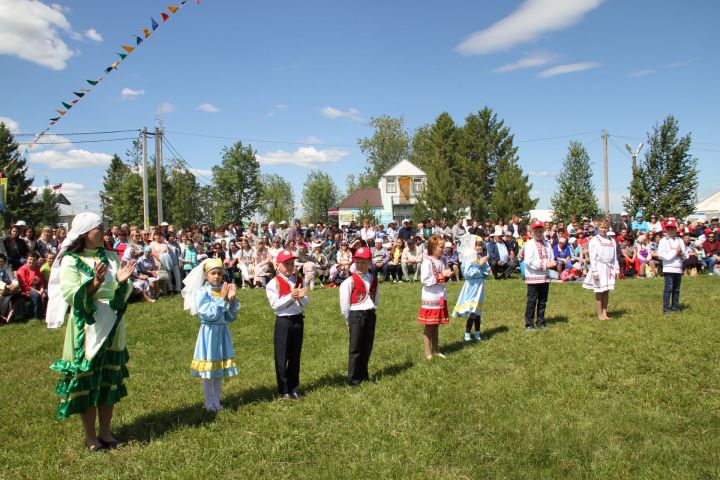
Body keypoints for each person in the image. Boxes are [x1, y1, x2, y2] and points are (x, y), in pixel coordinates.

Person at [47, 212, 136, 452]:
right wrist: (95, 283)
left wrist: (122, 281)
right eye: (99, 228)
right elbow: (69, 293)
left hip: (112, 324)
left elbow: (121, 287)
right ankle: (90, 437)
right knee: (87, 381)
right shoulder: (70, 260)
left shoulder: (110, 256)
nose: (104, 232)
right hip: (87, 329)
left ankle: (105, 432)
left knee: (108, 381)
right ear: (86, 233)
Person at [182, 258, 239, 411]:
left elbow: (231, 318)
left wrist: (231, 302)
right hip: (208, 333)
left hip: (222, 332)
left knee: (218, 368)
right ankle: (208, 401)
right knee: (208, 369)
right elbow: (209, 314)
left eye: (220, 273)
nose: (216, 277)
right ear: (206, 275)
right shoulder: (202, 292)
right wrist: (222, 299)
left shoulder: (224, 290)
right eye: (213, 273)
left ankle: (217, 400)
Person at [265, 249, 309, 400]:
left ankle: (294, 386)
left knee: (295, 355)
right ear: (277, 266)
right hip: (283, 321)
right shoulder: (273, 283)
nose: (290, 266)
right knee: (282, 356)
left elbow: (304, 303)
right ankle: (283, 390)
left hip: (297, 319)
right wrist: (291, 296)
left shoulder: (299, 280)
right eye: (286, 264)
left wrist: (301, 297)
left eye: (292, 263)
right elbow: (275, 306)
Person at [339, 247, 378, 386]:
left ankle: (364, 374)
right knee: (355, 348)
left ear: (369, 263)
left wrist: (373, 308)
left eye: (363, 262)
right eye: (358, 262)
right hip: (356, 315)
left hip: (370, 314)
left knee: (367, 346)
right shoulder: (349, 281)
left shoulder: (373, 279)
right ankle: (354, 378)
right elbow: (344, 304)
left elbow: (375, 296)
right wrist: (348, 320)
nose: (360, 265)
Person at [417, 235, 452, 360]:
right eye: (441, 247)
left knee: (436, 324)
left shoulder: (441, 261)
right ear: (433, 247)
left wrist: (447, 275)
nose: (443, 249)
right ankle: (428, 353)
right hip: (431, 297)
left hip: (440, 296)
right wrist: (442, 275)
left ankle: (436, 349)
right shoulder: (427, 262)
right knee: (429, 325)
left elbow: (441, 278)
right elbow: (425, 280)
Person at [452, 238, 490, 342]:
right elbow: (467, 274)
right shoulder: (469, 258)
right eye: (477, 245)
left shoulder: (481, 257)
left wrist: (483, 266)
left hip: (480, 286)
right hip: (471, 286)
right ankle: (467, 335)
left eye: (481, 245)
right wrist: (479, 265)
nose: (479, 247)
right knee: (473, 311)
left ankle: (477, 334)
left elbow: (487, 273)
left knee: (477, 311)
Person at [523, 219, 556, 331]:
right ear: (532, 232)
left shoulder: (547, 244)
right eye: (536, 231)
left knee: (543, 300)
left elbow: (551, 257)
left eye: (540, 231)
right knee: (532, 301)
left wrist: (551, 263)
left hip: (545, 276)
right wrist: (544, 265)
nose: (538, 233)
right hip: (533, 276)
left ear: (543, 231)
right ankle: (529, 324)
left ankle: (541, 322)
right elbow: (529, 260)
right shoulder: (529, 244)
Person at [582, 220, 619, 320]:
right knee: (599, 291)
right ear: (598, 228)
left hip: (609, 267)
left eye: (605, 228)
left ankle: (605, 312)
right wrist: (594, 271)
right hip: (599, 267)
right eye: (601, 228)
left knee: (606, 291)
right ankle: (599, 314)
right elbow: (593, 257)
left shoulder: (612, 241)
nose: (603, 230)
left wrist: (616, 269)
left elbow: (614, 256)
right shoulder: (594, 240)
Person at [658, 219, 686, 314]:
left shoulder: (680, 240)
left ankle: (675, 306)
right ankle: (666, 308)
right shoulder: (663, 240)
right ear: (666, 229)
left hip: (678, 267)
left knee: (676, 289)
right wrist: (675, 252)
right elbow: (661, 255)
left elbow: (686, 255)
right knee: (668, 288)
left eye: (672, 228)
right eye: (669, 228)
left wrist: (681, 253)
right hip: (669, 267)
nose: (671, 230)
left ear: (675, 229)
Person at [16, 253, 47, 319]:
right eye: (30, 259)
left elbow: (41, 281)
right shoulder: (22, 270)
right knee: (36, 295)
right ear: (26, 259)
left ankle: (46, 312)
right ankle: (37, 317)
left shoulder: (37, 268)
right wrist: (38, 292)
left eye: (34, 260)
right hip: (26, 290)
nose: (32, 261)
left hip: (38, 289)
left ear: (36, 261)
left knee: (47, 294)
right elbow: (24, 285)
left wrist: (41, 290)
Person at [0, 253, 25, 324]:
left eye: (2, 261)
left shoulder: (7, 269)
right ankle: (7, 316)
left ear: (4, 262)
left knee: (18, 293)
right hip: (2, 288)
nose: (0, 263)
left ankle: (18, 314)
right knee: (11, 295)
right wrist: (6, 286)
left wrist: (14, 285)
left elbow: (13, 279)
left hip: (10, 288)